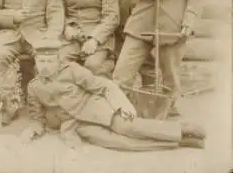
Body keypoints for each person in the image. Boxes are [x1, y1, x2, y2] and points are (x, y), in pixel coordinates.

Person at [20, 41, 207, 150]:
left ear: (57, 61)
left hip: (97, 109)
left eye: (49, 61)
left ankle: (181, 129)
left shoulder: (72, 70)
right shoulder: (34, 86)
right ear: (36, 61)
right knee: (119, 143)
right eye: (41, 61)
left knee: (129, 129)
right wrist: (33, 130)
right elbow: (36, 116)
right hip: (75, 124)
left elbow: (104, 85)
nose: (45, 65)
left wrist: (121, 105)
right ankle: (181, 141)